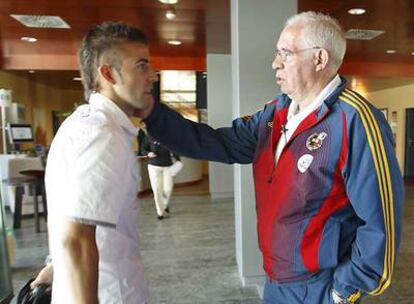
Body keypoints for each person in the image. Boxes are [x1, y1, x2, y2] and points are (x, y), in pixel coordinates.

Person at [137, 11, 405, 304]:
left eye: (285, 54)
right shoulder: (274, 113)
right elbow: (216, 143)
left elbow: (381, 223)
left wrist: (342, 292)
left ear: (319, 59)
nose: (275, 63)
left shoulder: (355, 121)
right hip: (276, 279)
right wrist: (152, 114)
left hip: (320, 288)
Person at [45, 22, 157, 304]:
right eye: (142, 66)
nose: (152, 76)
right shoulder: (102, 135)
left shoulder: (84, 124)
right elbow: (77, 239)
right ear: (108, 73)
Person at [137, 124, 180, 220]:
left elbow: (175, 150)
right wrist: (148, 153)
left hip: (168, 166)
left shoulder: (169, 138)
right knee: (157, 190)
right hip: (153, 166)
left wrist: (178, 160)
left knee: (168, 189)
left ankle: (164, 205)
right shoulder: (149, 137)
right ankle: (160, 212)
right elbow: (143, 149)